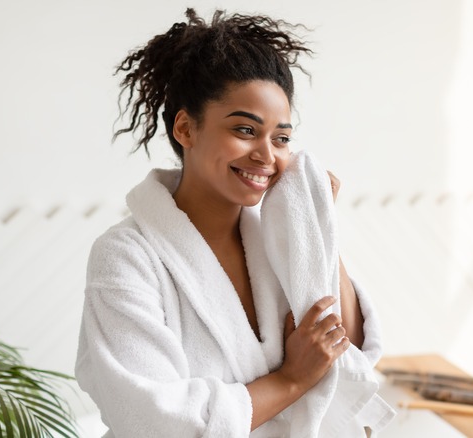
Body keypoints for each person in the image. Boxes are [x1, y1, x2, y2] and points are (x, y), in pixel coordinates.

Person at [75, 8, 383, 437]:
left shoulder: (278, 237)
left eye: (281, 138)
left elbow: (344, 355)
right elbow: (152, 417)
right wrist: (290, 380)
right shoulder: (125, 256)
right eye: (244, 129)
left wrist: (318, 226)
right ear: (186, 128)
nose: (266, 155)